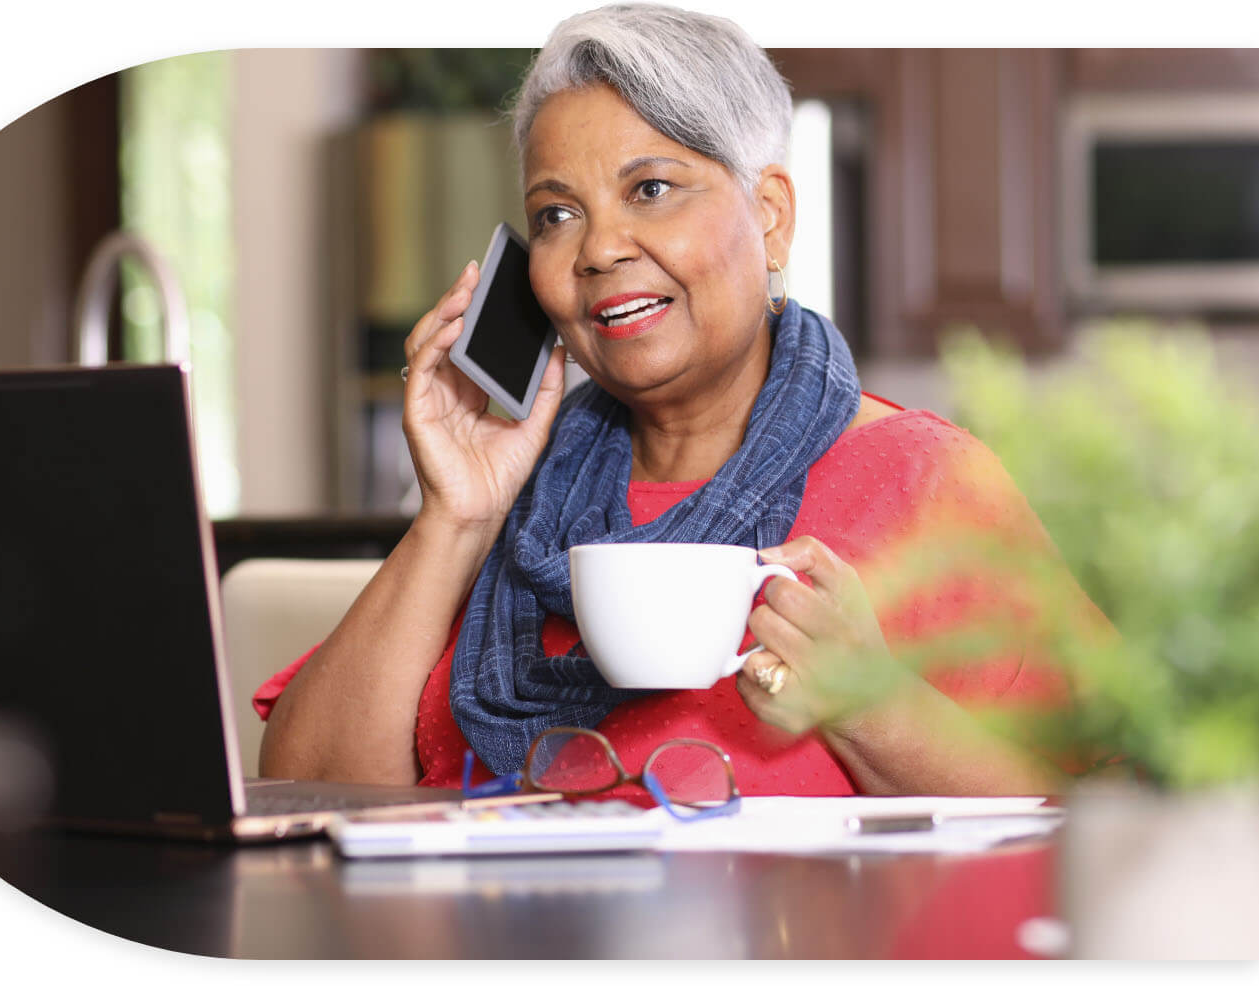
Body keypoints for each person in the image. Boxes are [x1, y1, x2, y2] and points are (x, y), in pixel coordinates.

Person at [255, 3, 1077, 798]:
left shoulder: (927, 483)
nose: (599, 249)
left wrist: (869, 704)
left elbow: (1097, 819)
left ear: (771, 216)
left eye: (649, 189)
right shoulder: (511, 499)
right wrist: (456, 518)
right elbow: (304, 789)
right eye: (556, 214)